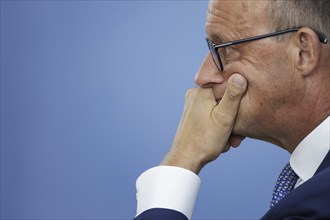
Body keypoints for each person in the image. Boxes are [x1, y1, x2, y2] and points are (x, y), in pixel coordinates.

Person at [134, 0, 330, 219]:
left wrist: (182, 159)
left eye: (227, 50)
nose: (202, 77)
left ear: (304, 52)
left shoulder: (318, 204)